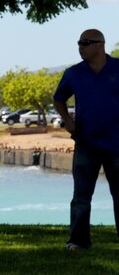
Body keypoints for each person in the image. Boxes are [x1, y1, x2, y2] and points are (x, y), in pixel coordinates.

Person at [53, 29, 119, 251]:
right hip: (86, 144)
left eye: (86, 42)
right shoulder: (74, 73)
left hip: (116, 144)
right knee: (81, 197)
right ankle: (78, 241)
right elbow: (58, 98)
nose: (81, 46)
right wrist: (68, 121)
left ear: (100, 45)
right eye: (79, 42)